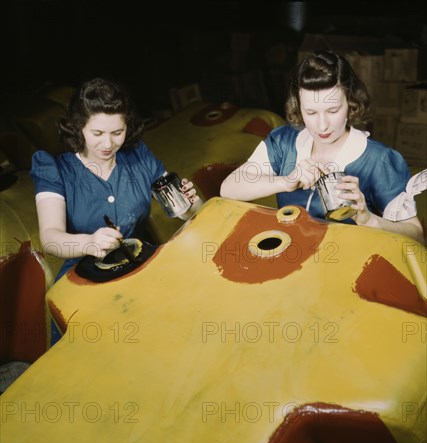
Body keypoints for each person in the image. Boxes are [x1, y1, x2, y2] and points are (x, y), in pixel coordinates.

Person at [30, 77, 203, 343]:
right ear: (78, 128)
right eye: (97, 134)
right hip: (85, 282)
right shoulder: (54, 169)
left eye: (117, 132)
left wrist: (191, 203)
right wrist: (89, 242)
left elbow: (184, 212)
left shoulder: (139, 156)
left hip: (140, 267)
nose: (108, 144)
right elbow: (51, 239)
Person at [220, 50, 424, 244]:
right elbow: (229, 189)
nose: (322, 125)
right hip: (291, 261)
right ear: (298, 106)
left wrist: (368, 219)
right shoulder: (284, 141)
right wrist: (286, 181)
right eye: (311, 113)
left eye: (333, 110)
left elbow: (416, 235)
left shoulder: (379, 160)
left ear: (351, 103)